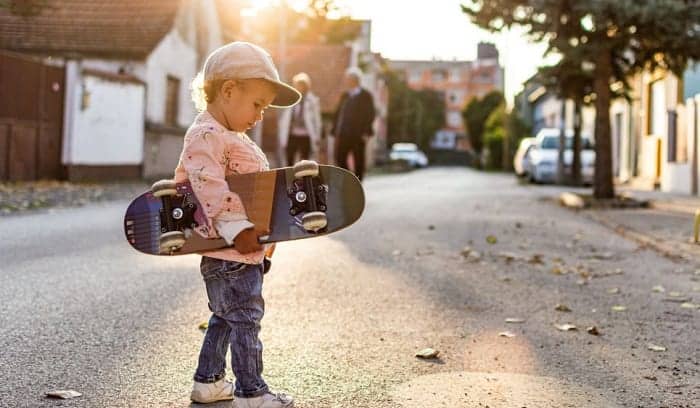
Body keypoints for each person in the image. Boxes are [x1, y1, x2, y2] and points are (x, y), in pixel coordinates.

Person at [174, 41, 301, 408]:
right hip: (228, 251)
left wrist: (265, 243)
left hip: (241, 254)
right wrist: (236, 228)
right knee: (246, 321)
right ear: (228, 90)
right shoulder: (206, 135)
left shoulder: (230, 136)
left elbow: (254, 193)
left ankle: (209, 382)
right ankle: (252, 393)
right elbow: (206, 184)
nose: (261, 114)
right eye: (257, 104)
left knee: (226, 318)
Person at [330, 67, 376, 181]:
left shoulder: (366, 96)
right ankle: (350, 180)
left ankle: (359, 182)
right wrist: (335, 129)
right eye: (347, 79)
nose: (348, 81)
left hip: (359, 134)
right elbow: (338, 113)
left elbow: (370, 114)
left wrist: (366, 131)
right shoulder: (345, 96)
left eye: (350, 79)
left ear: (357, 80)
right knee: (339, 158)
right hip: (344, 133)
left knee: (359, 160)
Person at [277, 72, 322, 166]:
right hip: (292, 134)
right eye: (297, 85)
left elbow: (317, 121)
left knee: (305, 161)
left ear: (306, 87)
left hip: (306, 135)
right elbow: (285, 118)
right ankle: (290, 179)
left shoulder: (312, 100)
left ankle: (303, 180)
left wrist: (317, 136)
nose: (299, 87)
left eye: (301, 85)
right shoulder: (291, 99)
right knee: (289, 159)